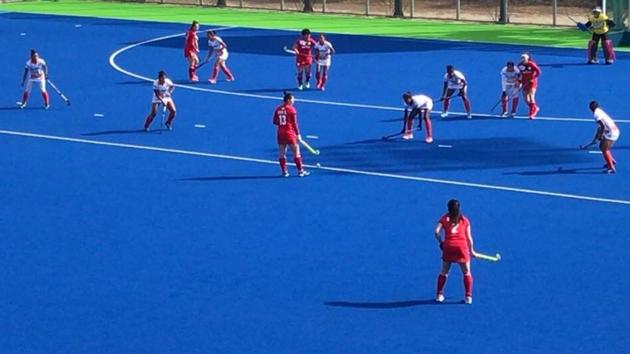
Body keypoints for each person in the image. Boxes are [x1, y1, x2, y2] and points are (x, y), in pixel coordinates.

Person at [434, 199, 478, 304]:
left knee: (444, 272)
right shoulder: (465, 220)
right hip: (461, 248)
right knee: (466, 272)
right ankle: (468, 297)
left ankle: (439, 295)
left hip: (448, 247)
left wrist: (441, 242)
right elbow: (469, 238)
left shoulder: (444, 218)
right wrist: (472, 251)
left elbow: (436, 232)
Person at [273, 92, 309, 177]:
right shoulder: (291, 109)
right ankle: (300, 171)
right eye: (293, 99)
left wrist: (282, 124)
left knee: (282, 153)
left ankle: (284, 172)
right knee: (296, 152)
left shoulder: (278, 109)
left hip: (280, 133)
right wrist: (298, 134)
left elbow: (274, 121)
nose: (294, 100)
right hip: (290, 133)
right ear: (288, 100)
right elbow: (294, 123)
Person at [581, 101, 620, 174]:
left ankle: (611, 167)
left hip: (611, 133)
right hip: (613, 130)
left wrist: (600, 136)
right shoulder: (599, 110)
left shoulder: (596, 115)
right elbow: (599, 128)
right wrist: (597, 137)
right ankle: (611, 161)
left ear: (591, 109)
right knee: (603, 147)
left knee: (604, 148)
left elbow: (602, 126)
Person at [517, 54, 541, 119]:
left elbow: (539, 72)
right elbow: (519, 74)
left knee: (531, 96)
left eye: (524, 58)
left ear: (527, 58)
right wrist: (519, 82)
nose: (522, 59)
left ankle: (532, 113)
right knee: (526, 99)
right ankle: (535, 107)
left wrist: (533, 78)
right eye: (521, 58)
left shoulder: (532, 64)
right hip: (524, 82)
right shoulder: (519, 65)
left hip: (532, 82)